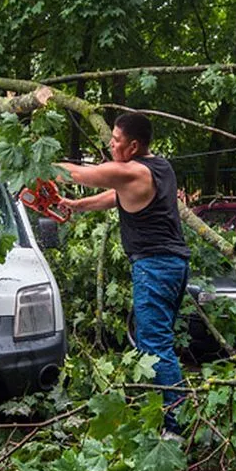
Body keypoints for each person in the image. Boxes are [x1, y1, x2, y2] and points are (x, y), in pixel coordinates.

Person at [57, 113, 191, 435]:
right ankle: (167, 413)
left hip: (154, 267)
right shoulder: (160, 168)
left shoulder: (131, 171)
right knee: (157, 342)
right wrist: (78, 205)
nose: (110, 144)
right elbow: (116, 196)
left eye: (115, 140)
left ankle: (175, 426)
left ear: (133, 146)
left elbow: (78, 173)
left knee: (155, 345)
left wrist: (34, 161)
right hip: (173, 265)